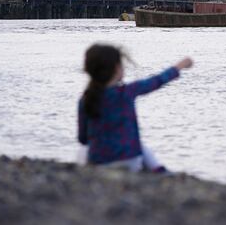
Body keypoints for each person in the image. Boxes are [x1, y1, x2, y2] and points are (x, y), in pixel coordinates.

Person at [77, 43, 193, 172]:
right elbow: (157, 81)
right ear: (117, 68)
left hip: (99, 162)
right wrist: (179, 66)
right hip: (130, 160)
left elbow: (82, 138)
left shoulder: (85, 99)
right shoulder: (127, 92)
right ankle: (157, 169)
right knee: (140, 145)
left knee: (84, 150)